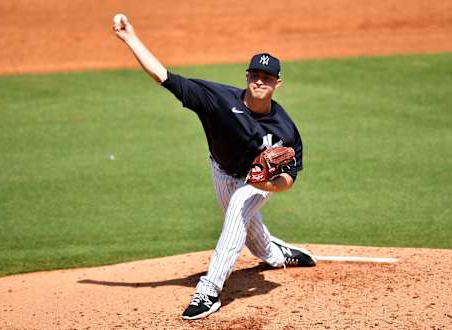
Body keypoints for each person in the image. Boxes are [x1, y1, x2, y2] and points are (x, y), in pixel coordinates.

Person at [113, 14, 317, 320]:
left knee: (238, 208)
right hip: (221, 172)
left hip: (256, 183)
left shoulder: (285, 128)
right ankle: (276, 254)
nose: (260, 81)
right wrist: (130, 38)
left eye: (267, 77)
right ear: (247, 76)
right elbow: (163, 76)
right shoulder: (218, 100)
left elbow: (288, 177)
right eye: (255, 75)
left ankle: (208, 290)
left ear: (278, 83)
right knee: (249, 233)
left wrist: (266, 185)